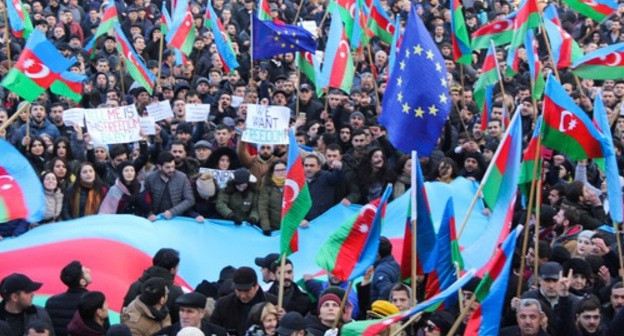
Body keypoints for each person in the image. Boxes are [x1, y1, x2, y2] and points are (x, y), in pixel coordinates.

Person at [123, 248, 183, 323]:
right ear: (172, 269)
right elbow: (177, 322)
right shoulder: (176, 292)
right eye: (177, 267)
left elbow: (124, 314)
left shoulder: (135, 285)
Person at [211, 267, 277, 334]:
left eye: (246, 290)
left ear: (256, 286)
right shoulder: (223, 305)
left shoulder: (273, 302)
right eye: (239, 290)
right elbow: (213, 330)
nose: (243, 296)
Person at [144, 152, 195, 222]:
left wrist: (172, 211)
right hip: (156, 218)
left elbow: (190, 200)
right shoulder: (150, 178)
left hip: (177, 217)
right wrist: (149, 214)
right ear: (159, 167)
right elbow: (145, 200)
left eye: (173, 166)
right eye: (167, 167)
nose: (171, 170)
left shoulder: (182, 177)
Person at [45, 261, 92, 336]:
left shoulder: (52, 302)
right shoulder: (93, 301)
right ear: (82, 282)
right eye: (86, 272)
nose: (89, 270)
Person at [154, 292, 227, 336]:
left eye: (189, 311)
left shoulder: (218, 333)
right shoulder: (165, 333)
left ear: (201, 313)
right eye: (182, 311)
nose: (184, 316)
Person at [257, 160, 287, 234]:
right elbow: (263, 208)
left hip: (290, 228)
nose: (281, 172)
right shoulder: (267, 187)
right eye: (277, 170)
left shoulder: (293, 186)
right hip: (273, 228)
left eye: (283, 170)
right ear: (272, 172)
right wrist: (266, 227)